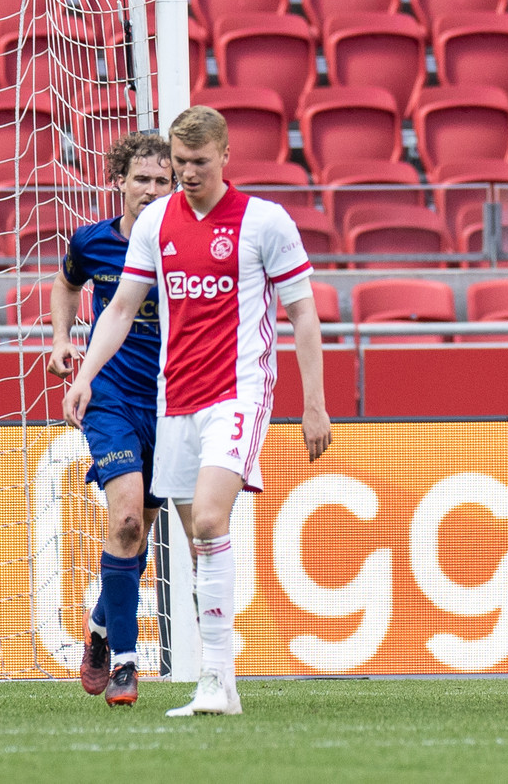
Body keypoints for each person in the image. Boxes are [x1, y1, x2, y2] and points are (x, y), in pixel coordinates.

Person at [62, 106, 332, 717]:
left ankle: (214, 679)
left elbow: (303, 313)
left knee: (208, 521)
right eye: (179, 163)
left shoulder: (265, 222)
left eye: (197, 164)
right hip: (172, 397)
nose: (185, 174)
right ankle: (218, 682)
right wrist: (85, 374)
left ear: (225, 157)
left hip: (238, 390)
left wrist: (314, 404)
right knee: (187, 535)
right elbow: (121, 308)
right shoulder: (155, 222)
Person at [49, 132, 174, 706]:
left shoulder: (184, 246)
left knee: (138, 530)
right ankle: (126, 660)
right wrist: (61, 341)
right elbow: (67, 283)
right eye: (141, 179)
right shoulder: (93, 242)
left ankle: (100, 627)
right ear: (118, 181)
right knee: (124, 518)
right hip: (110, 397)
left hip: (172, 402)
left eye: (162, 180)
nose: (150, 190)